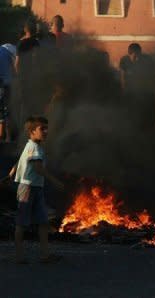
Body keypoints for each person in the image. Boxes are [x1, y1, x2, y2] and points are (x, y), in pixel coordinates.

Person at [7, 116, 64, 264]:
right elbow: (38, 168)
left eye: (46, 128)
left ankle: (45, 255)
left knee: (43, 222)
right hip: (27, 188)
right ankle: (18, 256)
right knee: (21, 223)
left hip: (36, 188)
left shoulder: (31, 145)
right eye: (42, 129)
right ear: (32, 131)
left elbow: (21, 159)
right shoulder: (34, 147)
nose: (45, 131)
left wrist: (13, 171)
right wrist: (55, 181)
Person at [0, 44, 16, 142]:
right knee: (7, 109)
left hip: (2, 83)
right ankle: (6, 136)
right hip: (7, 83)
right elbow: (14, 68)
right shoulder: (8, 51)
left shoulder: (4, 50)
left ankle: (3, 136)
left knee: (2, 110)